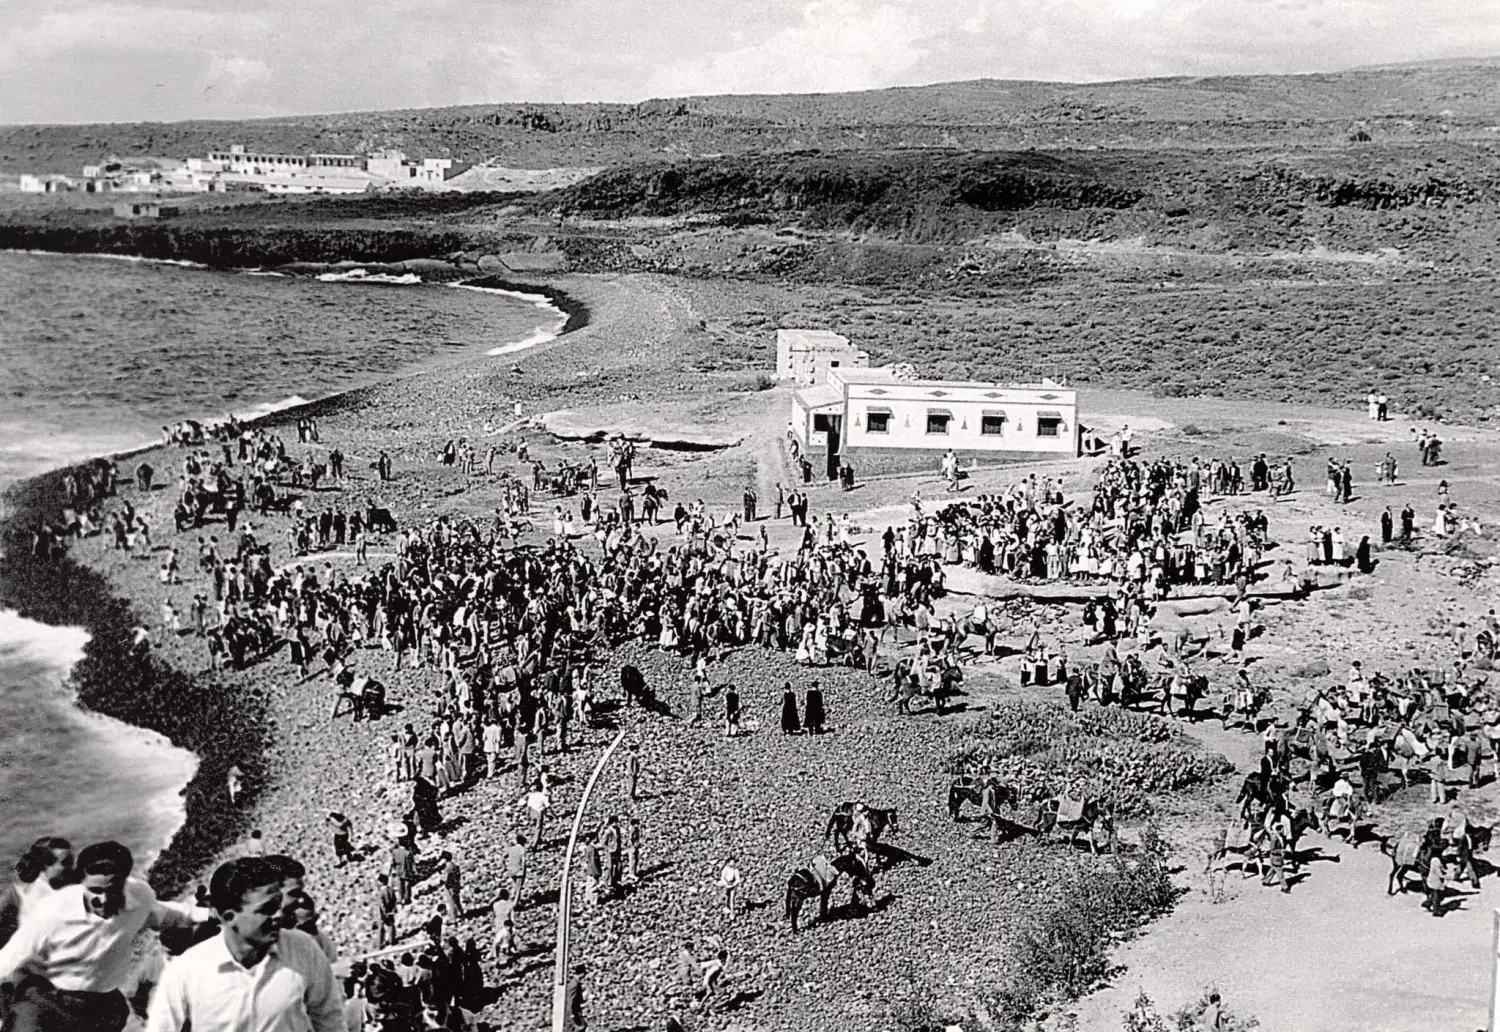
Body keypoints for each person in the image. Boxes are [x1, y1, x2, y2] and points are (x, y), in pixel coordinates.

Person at [0, 841, 201, 1032]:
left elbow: (168, 915)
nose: (102, 900)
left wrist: (210, 913)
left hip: (101, 1007)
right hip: (47, 999)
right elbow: (11, 956)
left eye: (111, 890)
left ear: (125, 884)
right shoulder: (53, 910)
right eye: (94, 891)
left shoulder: (138, 899)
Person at [145, 856, 345, 1032]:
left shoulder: (303, 948)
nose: (278, 915)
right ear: (230, 917)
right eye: (267, 909)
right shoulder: (187, 970)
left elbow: (328, 1017)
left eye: (278, 904)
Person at [0, 838, 73, 948]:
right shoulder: (22, 893)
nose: (70, 867)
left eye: (71, 860)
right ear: (45, 865)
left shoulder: (72, 883)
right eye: (65, 862)